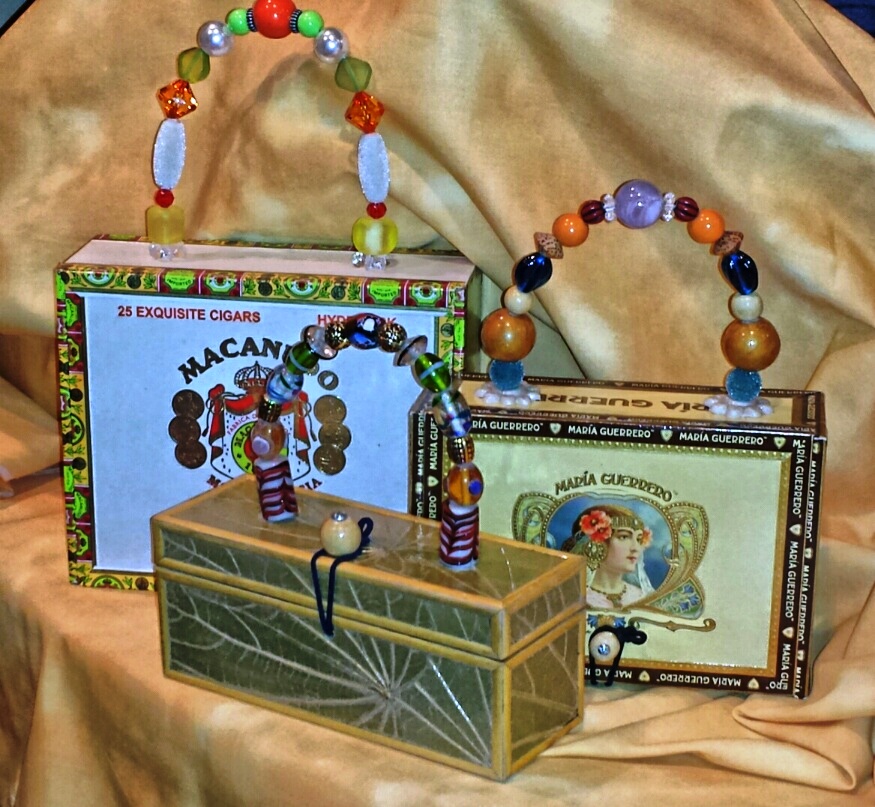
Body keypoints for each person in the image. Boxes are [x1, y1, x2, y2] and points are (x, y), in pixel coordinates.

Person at [561, 504, 655, 610]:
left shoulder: (641, 597)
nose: (636, 548)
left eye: (638, 539)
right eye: (623, 537)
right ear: (596, 542)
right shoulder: (571, 598)